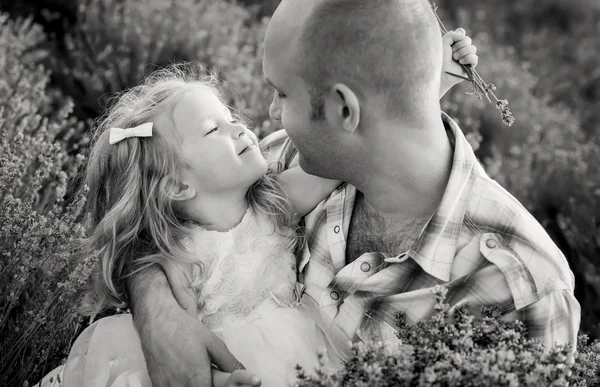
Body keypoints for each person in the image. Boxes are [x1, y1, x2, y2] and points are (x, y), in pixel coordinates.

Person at [126, 0, 580, 386]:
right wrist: (158, 312)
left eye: (282, 94)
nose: (267, 114)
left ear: (345, 109)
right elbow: (163, 217)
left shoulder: (521, 290)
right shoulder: (283, 159)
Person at [39, 26, 480, 387]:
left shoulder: (271, 203)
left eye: (230, 116)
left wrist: (429, 85)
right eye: (215, 131)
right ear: (177, 186)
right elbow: (186, 352)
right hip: (250, 361)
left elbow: (353, 151)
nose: (239, 127)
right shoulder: (176, 259)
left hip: (299, 350)